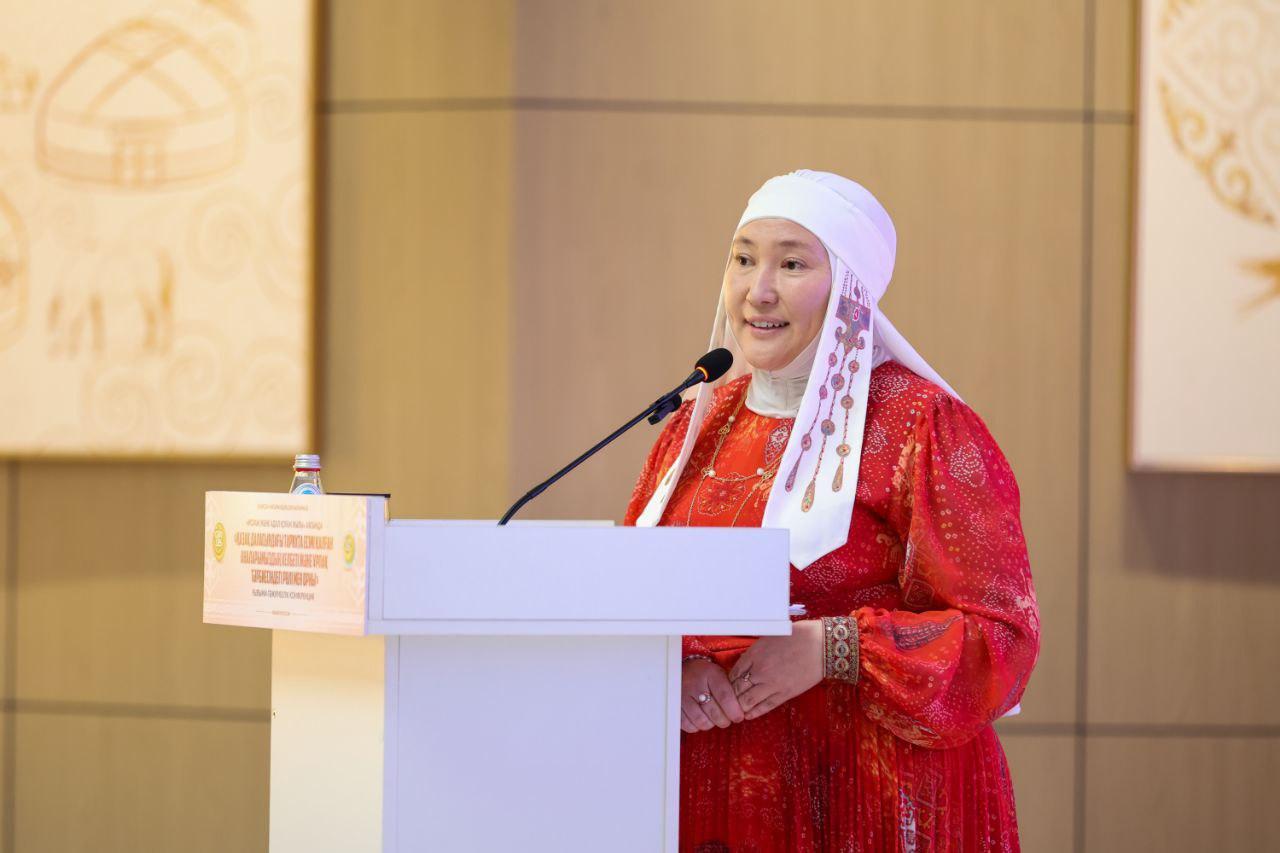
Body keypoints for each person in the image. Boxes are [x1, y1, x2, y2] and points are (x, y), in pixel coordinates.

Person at [625, 170, 1040, 852]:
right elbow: (629, 597)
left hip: (870, 796)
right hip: (718, 794)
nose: (758, 290)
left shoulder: (922, 427)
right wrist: (675, 672)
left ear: (849, 287)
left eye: (791, 264)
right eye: (743, 259)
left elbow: (1000, 640)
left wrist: (831, 648)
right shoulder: (694, 428)